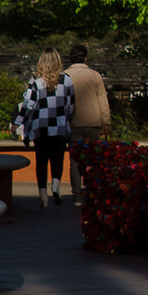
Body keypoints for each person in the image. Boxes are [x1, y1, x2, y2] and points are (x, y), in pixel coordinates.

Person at [17, 47, 75, 207]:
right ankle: (56, 185)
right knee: (58, 158)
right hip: (60, 126)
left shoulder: (35, 81)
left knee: (41, 161)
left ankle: (43, 197)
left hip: (40, 127)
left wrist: (18, 122)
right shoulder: (67, 80)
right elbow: (71, 106)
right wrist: (67, 119)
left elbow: (28, 105)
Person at [66, 43, 111, 207]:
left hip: (73, 123)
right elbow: (103, 101)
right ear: (85, 58)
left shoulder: (65, 76)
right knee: (93, 158)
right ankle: (92, 191)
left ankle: (77, 196)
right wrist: (106, 123)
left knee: (75, 160)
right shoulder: (95, 76)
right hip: (93, 122)